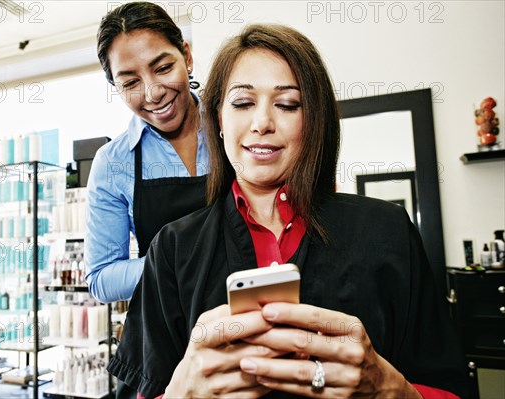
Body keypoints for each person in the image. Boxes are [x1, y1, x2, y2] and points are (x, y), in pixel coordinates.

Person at [107, 24, 470, 398]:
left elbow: (450, 387)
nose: (262, 123)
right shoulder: (173, 248)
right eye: (243, 103)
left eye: (287, 104)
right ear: (217, 119)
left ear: (313, 120)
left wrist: (389, 388)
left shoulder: (387, 231)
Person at [85, 2, 208, 304]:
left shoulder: (234, 129)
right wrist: (180, 263)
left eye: (163, 68)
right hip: (161, 335)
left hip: (247, 326)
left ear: (187, 57)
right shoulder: (114, 162)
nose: (153, 92)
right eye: (130, 82)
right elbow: (102, 279)